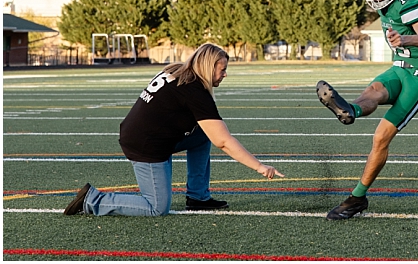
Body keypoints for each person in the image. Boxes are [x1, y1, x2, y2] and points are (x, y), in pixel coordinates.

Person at [64, 43, 284, 216]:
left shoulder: (179, 72)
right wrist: (259, 167)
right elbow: (223, 141)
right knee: (156, 207)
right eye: (222, 69)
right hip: (146, 145)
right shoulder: (194, 89)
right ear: (208, 67)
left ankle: (198, 197)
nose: (225, 74)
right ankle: (93, 200)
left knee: (201, 136)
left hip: (150, 134)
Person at [316, 0, 418, 220]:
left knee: (380, 137)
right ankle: (350, 110)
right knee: (372, 91)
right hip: (400, 68)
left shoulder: (410, 1)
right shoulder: (386, 5)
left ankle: (357, 198)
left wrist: (405, 40)